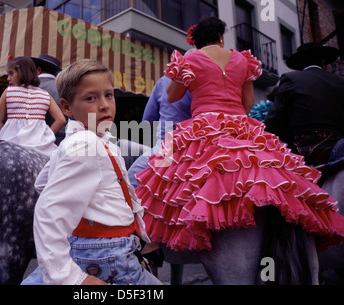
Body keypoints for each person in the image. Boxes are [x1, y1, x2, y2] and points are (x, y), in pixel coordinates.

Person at [134, 17, 344, 253]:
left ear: (196, 41)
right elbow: (248, 102)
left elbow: (173, 97)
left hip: (204, 123)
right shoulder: (243, 60)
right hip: (241, 124)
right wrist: (233, 117)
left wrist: (177, 75)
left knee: (166, 177)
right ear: (221, 38)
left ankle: (152, 241)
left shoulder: (190, 58)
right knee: (262, 172)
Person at [29, 59, 162, 285]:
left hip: (105, 248)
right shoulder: (86, 145)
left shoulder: (91, 140)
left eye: (108, 95)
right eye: (91, 98)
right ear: (67, 107)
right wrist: (72, 279)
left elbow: (43, 184)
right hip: (108, 256)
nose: (104, 105)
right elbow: (48, 213)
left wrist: (89, 210)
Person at [264, 42, 344, 172]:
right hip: (338, 145)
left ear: (301, 64)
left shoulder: (291, 78)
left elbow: (273, 121)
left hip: (304, 148)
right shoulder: (340, 82)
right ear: (323, 62)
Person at [0, 56, 66, 158]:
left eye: (11, 74)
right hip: (39, 144)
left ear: (22, 73)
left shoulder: (9, 92)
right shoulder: (45, 94)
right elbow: (61, 120)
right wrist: (46, 136)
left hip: (12, 143)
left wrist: (8, 134)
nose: (8, 78)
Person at [128, 75, 191, 188]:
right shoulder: (203, 82)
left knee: (130, 182)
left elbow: (149, 121)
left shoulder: (164, 81)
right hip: (195, 148)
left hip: (167, 147)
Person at [31, 54, 67, 145]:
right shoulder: (66, 88)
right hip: (66, 139)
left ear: (38, 70)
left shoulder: (31, 88)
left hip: (39, 141)